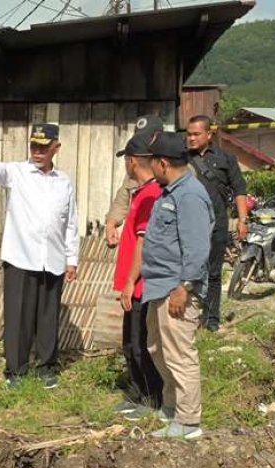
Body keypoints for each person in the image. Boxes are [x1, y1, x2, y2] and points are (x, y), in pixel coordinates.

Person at [0, 124, 80, 389]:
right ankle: (15, 370)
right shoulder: (17, 172)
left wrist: (71, 259)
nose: (37, 151)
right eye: (34, 145)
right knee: (18, 315)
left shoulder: (64, 182)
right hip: (20, 257)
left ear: (56, 147)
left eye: (43, 146)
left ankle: (46, 367)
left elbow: (70, 221)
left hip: (52, 257)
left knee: (48, 316)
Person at [141, 132, 214, 440]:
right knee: (158, 349)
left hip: (177, 289)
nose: (150, 169)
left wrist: (183, 287)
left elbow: (197, 248)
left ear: (162, 163)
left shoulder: (190, 195)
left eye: (151, 163)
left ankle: (188, 422)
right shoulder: (169, 191)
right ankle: (172, 410)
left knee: (179, 354)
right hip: (159, 286)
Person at [111, 133, 164, 421]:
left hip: (142, 285)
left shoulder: (151, 194)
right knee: (130, 343)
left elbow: (144, 245)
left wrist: (131, 281)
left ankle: (151, 396)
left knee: (141, 343)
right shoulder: (141, 192)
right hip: (133, 284)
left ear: (132, 162)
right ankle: (137, 390)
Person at [186, 115, 248, 332]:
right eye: (189, 134)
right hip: (189, 226)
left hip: (218, 224)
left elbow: (239, 189)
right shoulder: (181, 159)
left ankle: (212, 319)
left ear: (209, 134)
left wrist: (242, 220)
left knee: (213, 272)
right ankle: (188, 318)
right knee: (190, 272)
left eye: (196, 134)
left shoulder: (226, 158)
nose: (191, 138)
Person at [105, 115, 165, 248]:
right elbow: (122, 200)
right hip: (136, 240)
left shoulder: (174, 169)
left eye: (147, 137)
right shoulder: (134, 172)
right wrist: (111, 224)